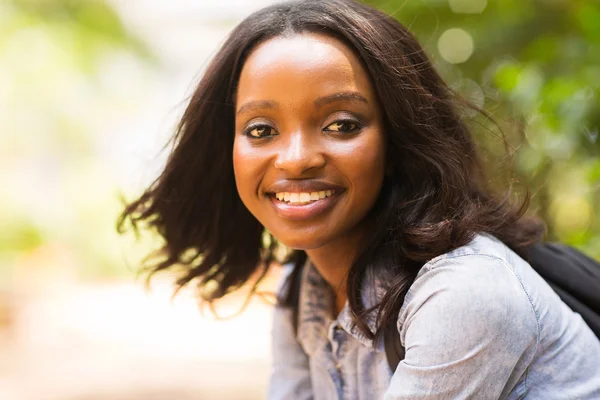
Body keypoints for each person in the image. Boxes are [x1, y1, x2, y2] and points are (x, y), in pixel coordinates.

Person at [118, 0, 600, 398]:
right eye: (261, 130)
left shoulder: (464, 295)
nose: (296, 158)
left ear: (396, 143)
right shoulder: (304, 284)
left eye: (342, 125)